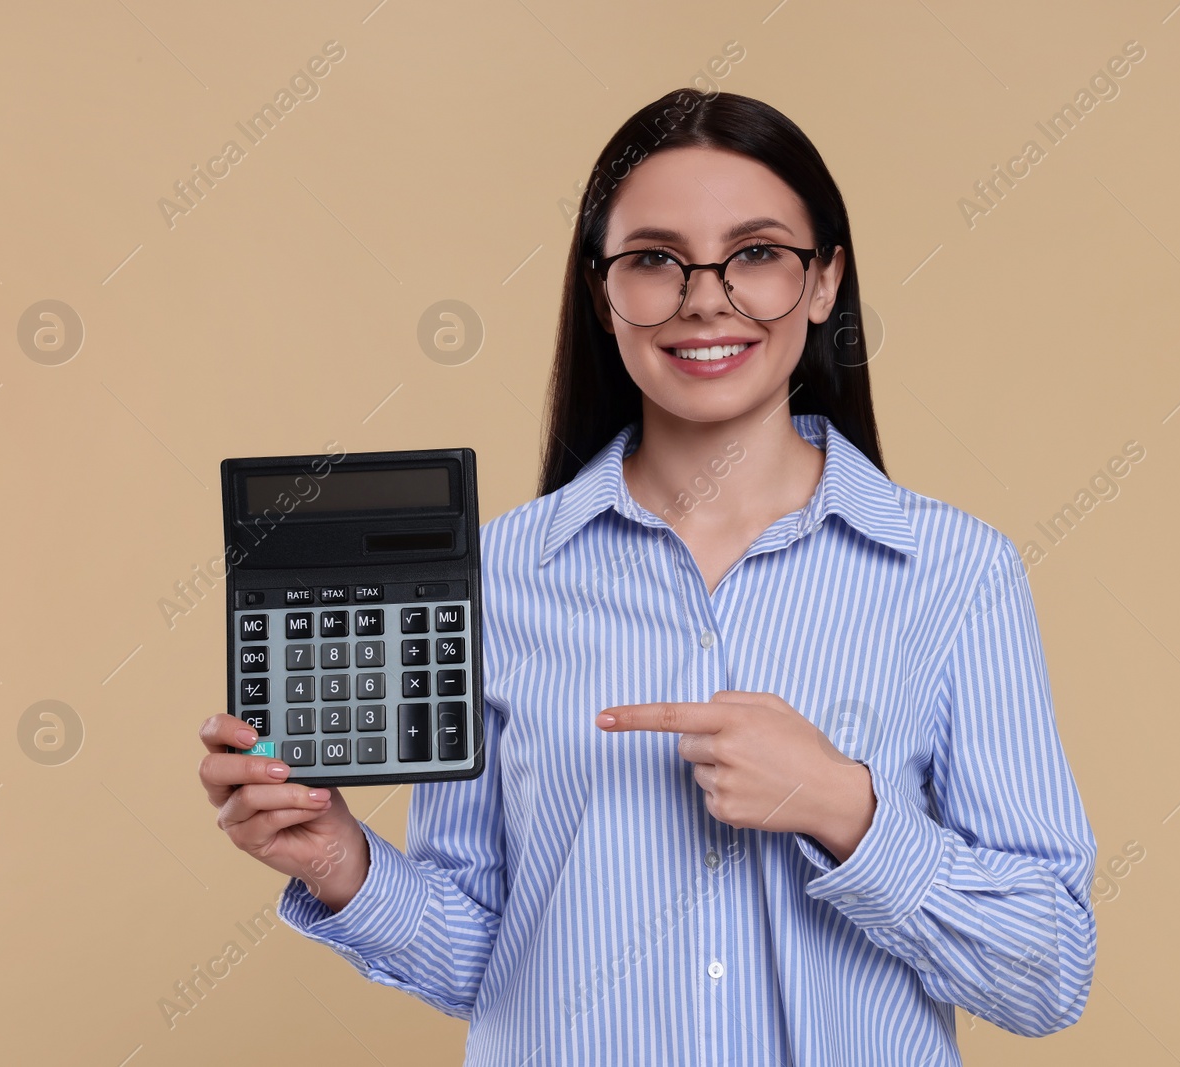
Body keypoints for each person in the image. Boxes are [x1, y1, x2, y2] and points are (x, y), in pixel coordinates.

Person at [198, 88, 1097, 1065]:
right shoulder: (498, 577)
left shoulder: (954, 572)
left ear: (826, 281)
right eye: (653, 260)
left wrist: (844, 807)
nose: (703, 297)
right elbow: (489, 962)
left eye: (756, 253)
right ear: (601, 289)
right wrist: (343, 864)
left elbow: (1045, 971)